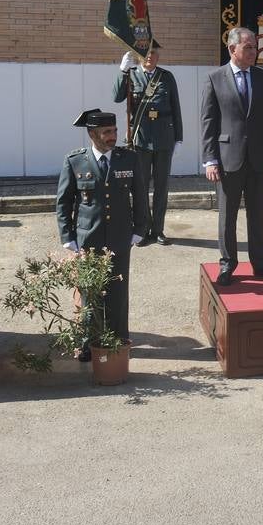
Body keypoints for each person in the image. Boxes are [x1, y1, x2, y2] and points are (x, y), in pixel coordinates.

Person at [56, 109, 148, 358]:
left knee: (118, 291)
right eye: (107, 132)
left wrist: (140, 230)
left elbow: (140, 196)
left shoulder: (128, 158)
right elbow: (64, 203)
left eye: (115, 131)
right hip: (88, 238)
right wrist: (67, 237)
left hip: (120, 237)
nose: (113, 136)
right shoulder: (75, 160)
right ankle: (90, 343)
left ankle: (118, 341)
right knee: (90, 292)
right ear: (92, 134)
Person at [201, 27, 263, 286]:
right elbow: (208, 122)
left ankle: (261, 265)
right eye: (248, 47)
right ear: (232, 49)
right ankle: (227, 265)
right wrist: (210, 159)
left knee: (257, 216)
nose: (253, 51)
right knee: (228, 217)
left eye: (254, 46)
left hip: (259, 159)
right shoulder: (215, 78)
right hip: (228, 160)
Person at [114, 42, 182, 246]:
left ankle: (158, 230)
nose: (150, 56)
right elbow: (117, 97)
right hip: (140, 138)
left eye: (154, 52)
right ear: (138, 55)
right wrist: (122, 71)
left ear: (158, 56)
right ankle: (141, 230)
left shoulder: (167, 76)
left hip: (164, 138)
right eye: (146, 53)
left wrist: (178, 136)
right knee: (140, 188)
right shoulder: (131, 75)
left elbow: (175, 107)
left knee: (162, 186)